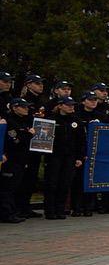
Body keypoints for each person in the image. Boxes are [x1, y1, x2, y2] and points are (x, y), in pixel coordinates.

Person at [42, 96, 84, 220]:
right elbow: (43, 140)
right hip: (54, 156)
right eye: (68, 105)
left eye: (72, 105)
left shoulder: (76, 121)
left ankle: (60, 210)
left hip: (70, 157)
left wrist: (79, 157)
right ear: (60, 106)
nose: (71, 107)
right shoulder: (51, 120)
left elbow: (81, 141)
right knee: (52, 183)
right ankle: (50, 210)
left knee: (65, 183)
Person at [1, 95, 35, 223]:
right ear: (15, 108)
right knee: (7, 188)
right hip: (10, 159)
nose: (26, 109)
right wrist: (29, 134)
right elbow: (15, 141)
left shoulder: (25, 121)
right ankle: (7, 214)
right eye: (23, 107)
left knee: (16, 186)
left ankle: (14, 211)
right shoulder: (9, 121)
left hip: (21, 159)